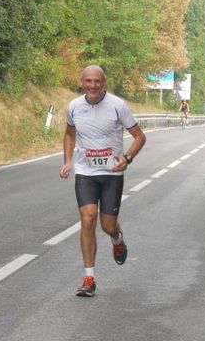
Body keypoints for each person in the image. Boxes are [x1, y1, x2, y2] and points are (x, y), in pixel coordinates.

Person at [59, 65, 146, 297]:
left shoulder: (118, 106)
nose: (93, 86)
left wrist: (127, 158)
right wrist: (67, 160)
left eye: (97, 81)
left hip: (111, 174)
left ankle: (117, 239)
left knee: (107, 226)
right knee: (88, 219)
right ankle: (89, 278)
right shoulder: (74, 107)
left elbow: (139, 136)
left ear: (104, 82)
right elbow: (69, 133)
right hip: (86, 173)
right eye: (88, 81)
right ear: (82, 82)